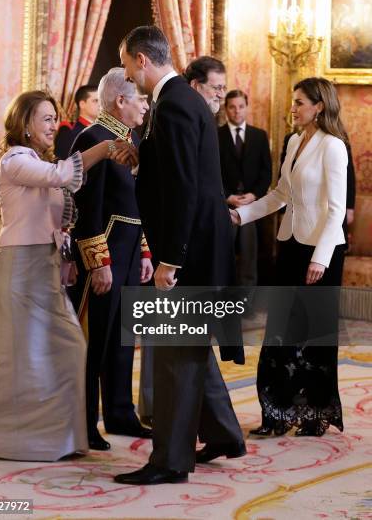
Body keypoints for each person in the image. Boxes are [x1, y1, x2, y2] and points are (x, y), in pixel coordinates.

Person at [0, 91, 135, 461]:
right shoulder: (13, 160)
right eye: (45, 118)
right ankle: (9, 436)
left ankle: (58, 438)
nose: (52, 125)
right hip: (18, 269)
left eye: (54, 117)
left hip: (45, 268)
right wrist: (105, 148)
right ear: (24, 124)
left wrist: (67, 259)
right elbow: (62, 175)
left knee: (65, 348)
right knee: (18, 358)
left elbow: (59, 220)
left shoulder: (40, 161)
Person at [114, 25, 245, 486]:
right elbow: (174, 173)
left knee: (174, 352)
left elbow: (186, 188)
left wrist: (170, 258)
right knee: (187, 349)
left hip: (187, 250)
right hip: (200, 246)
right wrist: (140, 157)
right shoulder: (180, 103)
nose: (130, 76)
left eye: (129, 66)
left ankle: (169, 461)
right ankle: (226, 434)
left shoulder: (173, 105)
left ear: (143, 60)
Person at [231, 77, 348, 437]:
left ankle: (313, 415)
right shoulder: (294, 141)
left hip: (321, 250)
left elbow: (336, 210)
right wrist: (242, 215)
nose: (293, 108)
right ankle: (277, 415)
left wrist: (321, 258)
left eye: (299, 102)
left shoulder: (333, 147)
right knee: (279, 332)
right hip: (290, 244)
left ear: (319, 107)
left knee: (314, 336)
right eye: (293, 101)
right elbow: (280, 194)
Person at [70, 69, 153, 450]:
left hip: (131, 251)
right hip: (103, 254)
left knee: (123, 339)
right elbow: (87, 207)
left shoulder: (132, 137)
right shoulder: (93, 139)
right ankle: (85, 424)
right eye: (141, 98)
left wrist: (145, 253)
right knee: (94, 341)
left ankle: (120, 413)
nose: (146, 104)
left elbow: (138, 202)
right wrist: (97, 260)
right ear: (121, 101)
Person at [219, 89, 272, 286]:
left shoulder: (259, 136)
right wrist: (226, 197)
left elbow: (266, 172)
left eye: (241, 106)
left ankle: (246, 301)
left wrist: (254, 195)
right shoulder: (216, 135)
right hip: (226, 204)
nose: (237, 111)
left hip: (251, 205)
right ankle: (222, 300)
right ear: (226, 109)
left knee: (250, 254)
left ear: (246, 108)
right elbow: (212, 173)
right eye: (232, 107)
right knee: (224, 253)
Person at [54, 84, 99, 159]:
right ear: (82, 104)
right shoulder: (69, 129)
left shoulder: (106, 129)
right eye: (96, 101)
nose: (101, 105)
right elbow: (63, 160)